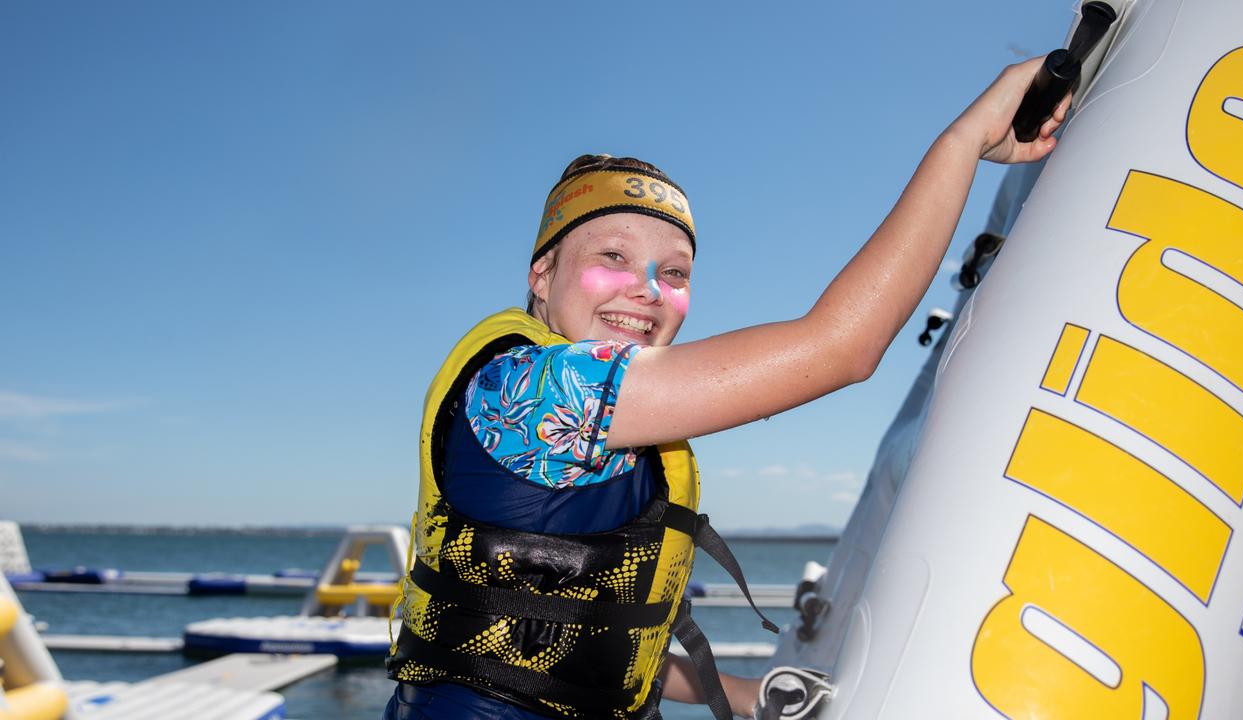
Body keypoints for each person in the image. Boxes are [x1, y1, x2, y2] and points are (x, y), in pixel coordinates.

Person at [384, 58, 1069, 720]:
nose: (648, 292)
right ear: (543, 274)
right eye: (612, 257)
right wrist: (962, 143)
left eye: (674, 273)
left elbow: (583, 637)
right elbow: (842, 349)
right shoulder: (538, 391)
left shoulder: (600, 409)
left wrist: (754, 695)